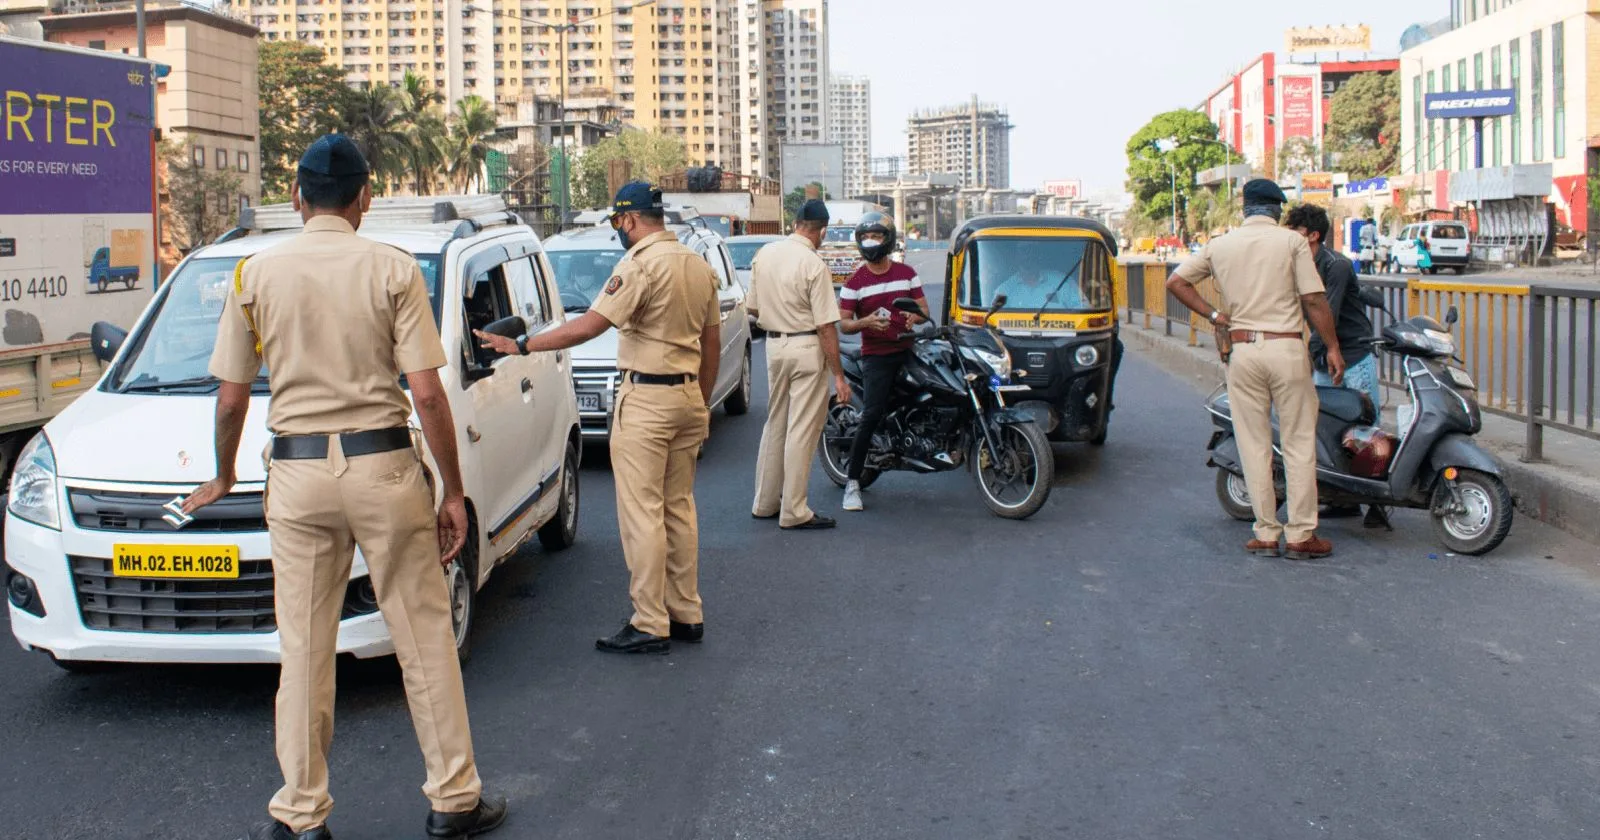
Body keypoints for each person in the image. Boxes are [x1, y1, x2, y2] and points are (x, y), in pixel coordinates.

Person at [186, 134, 506, 840]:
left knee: (302, 645)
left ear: (296, 198)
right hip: (384, 467)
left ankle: (301, 814)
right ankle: (454, 799)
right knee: (422, 636)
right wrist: (452, 491)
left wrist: (222, 472)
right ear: (365, 198)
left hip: (297, 475)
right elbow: (426, 391)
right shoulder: (391, 268)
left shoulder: (254, 274)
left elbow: (233, 399)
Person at [478, 182, 720, 654]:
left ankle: (650, 621)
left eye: (617, 224)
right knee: (679, 509)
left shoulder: (638, 266)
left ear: (628, 220)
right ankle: (686, 612)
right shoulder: (697, 265)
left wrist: (522, 344)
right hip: (688, 397)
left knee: (642, 514)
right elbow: (711, 344)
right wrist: (701, 402)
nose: (619, 233)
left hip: (647, 402)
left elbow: (591, 325)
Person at [1166, 179, 1346, 561]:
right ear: (1276, 210)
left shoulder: (1221, 245)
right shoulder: (1292, 243)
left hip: (1242, 350)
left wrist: (1214, 315)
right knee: (1298, 443)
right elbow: (1313, 299)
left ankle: (1265, 532)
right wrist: (1331, 346)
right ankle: (1300, 534)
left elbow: (1176, 281)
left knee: (1253, 444)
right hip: (1286, 348)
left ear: (1244, 208)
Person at [745, 198, 849, 530]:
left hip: (774, 346)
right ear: (821, 232)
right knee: (802, 430)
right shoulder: (813, 264)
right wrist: (839, 376)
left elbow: (754, 309)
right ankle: (794, 510)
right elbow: (826, 326)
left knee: (775, 423)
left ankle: (764, 502)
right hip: (807, 346)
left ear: (795, 225)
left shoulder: (765, 254)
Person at [836, 212, 927, 512]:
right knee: (871, 414)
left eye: (876, 236)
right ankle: (852, 484)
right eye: (865, 237)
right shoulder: (854, 282)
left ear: (887, 239)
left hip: (909, 349)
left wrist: (916, 316)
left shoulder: (907, 272)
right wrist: (866, 323)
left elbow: (923, 309)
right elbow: (844, 325)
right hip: (876, 356)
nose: (870, 242)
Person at [1285, 204, 1381, 409]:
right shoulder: (1294, 266)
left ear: (1313, 235)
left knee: (1364, 431)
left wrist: (1308, 355)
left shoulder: (1336, 265)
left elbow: (1328, 313)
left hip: (1353, 357)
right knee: (1325, 429)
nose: (1289, 237)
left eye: (1295, 231)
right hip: (1323, 357)